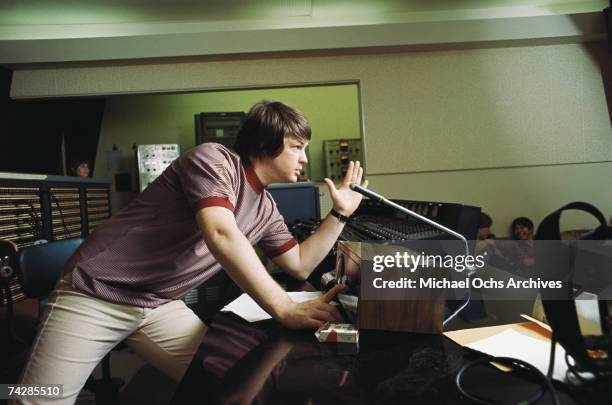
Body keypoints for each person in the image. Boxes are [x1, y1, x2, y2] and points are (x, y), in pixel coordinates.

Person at [15, 101, 367, 404]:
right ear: (265, 142)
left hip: (157, 305)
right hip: (95, 295)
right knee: (38, 398)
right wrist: (284, 307)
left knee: (236, 379)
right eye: (296, 146)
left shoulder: (265, 208)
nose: (305, 157)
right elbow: (220, 232)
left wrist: (340, 214)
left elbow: (300, 265)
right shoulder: (214, 160)